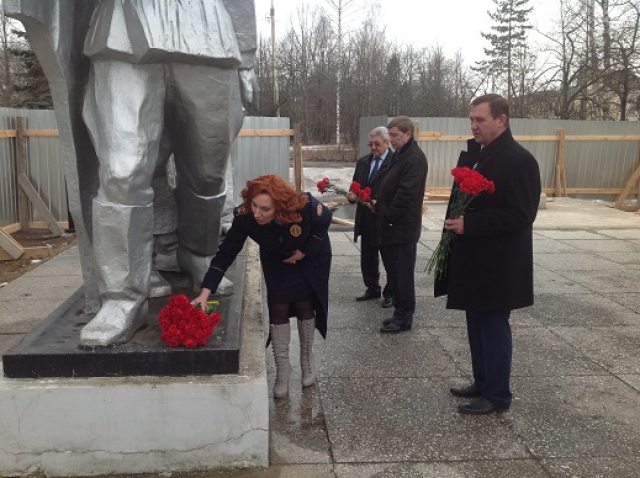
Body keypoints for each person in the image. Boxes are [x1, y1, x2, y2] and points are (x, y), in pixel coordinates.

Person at [435, 94, 541, 415]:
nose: (474, 125)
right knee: (476, 324)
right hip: (476, 262)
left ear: (502, 120)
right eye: (471, 119)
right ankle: (482, 382)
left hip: (499, 265)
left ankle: (497, 395)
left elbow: (522, 215)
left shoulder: (519, 160)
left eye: (480, 120)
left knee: (493, 327)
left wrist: (472, 223)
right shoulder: (481, 155)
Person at [192, 175, 332, 399]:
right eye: (254, 205)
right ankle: (282, 371)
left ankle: (307, 360)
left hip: (310, 257)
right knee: (278, 307)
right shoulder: (246, 217)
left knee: (305, 304)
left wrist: (306, 250)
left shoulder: (303, 204)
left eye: (265, 209)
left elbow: (324, 221)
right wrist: (205, 292)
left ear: (279, 205)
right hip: (277, 259)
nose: (257, 213)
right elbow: (225, 254)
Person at [373, 116, 428, 333]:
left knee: (403, 275)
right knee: (394, 274)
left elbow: (406, 194)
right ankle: (399, 312)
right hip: (389, 226)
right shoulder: (400, 155)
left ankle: (405, 317)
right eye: (390, 136)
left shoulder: (414, 158)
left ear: (408, 133)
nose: (391, 140)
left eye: (395, 136)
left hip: (401, 228)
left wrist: (388, 215)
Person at [348, 126, 393, 308]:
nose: (373, 147)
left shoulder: (393, 162)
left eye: (377, 144)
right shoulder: (364, 162)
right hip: (366, 216)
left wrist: (379, 202)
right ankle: (372, 288)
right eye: (370, 144)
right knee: (368, 256)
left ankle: (391, 293)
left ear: (387, 142)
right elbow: (355, 184)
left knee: (389, 257)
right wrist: (352, 195)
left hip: (384, 217)